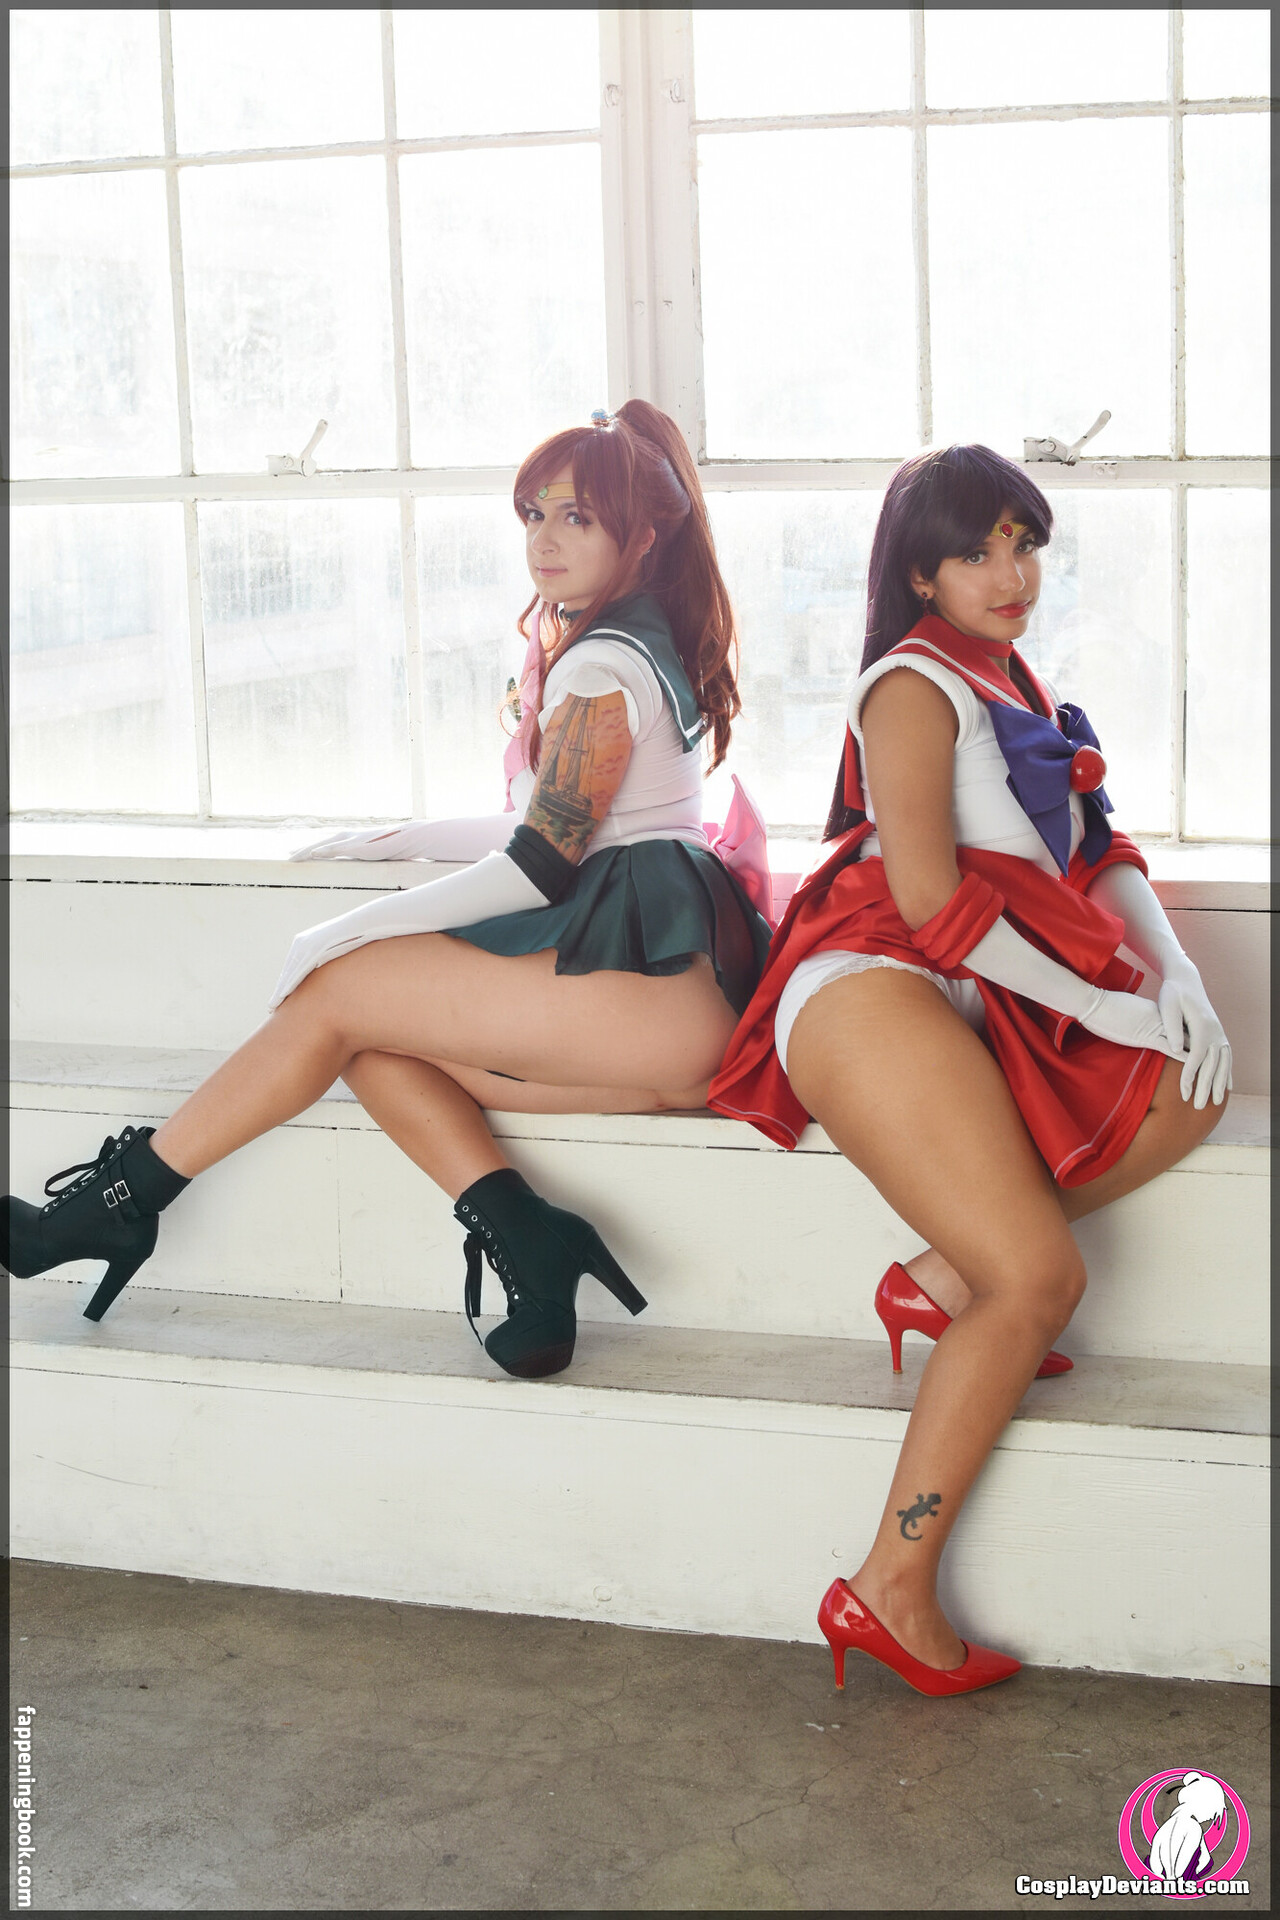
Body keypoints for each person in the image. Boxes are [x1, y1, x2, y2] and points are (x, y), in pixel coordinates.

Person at [3, 402, 772, 1380]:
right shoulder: (642, 638)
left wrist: (347, 929)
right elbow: (569, 826)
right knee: (364, 1039)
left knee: (338, 993)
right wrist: (403, 839)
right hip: (672, 1033)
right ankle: (529, 1240)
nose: (543, 538)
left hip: (655, 1013)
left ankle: (112, 1210)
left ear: (642, 535)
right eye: (534, 513)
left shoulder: (601, 661)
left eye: (576, 517)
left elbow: (540, 865)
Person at [708, 445, 1230, 1696]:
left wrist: (1175, 979)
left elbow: (1098, 854)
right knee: (1038, 1278)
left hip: (979, 980)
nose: (1009, 573)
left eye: (1021, 543)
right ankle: (887, 1587)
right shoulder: (907, 686)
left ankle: (936, 1281)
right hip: (870, 978)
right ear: (917, 573)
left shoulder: (1015, 673)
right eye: (974, 552)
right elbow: (929, 903)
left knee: (1188, 1086)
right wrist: (1100, 1004)